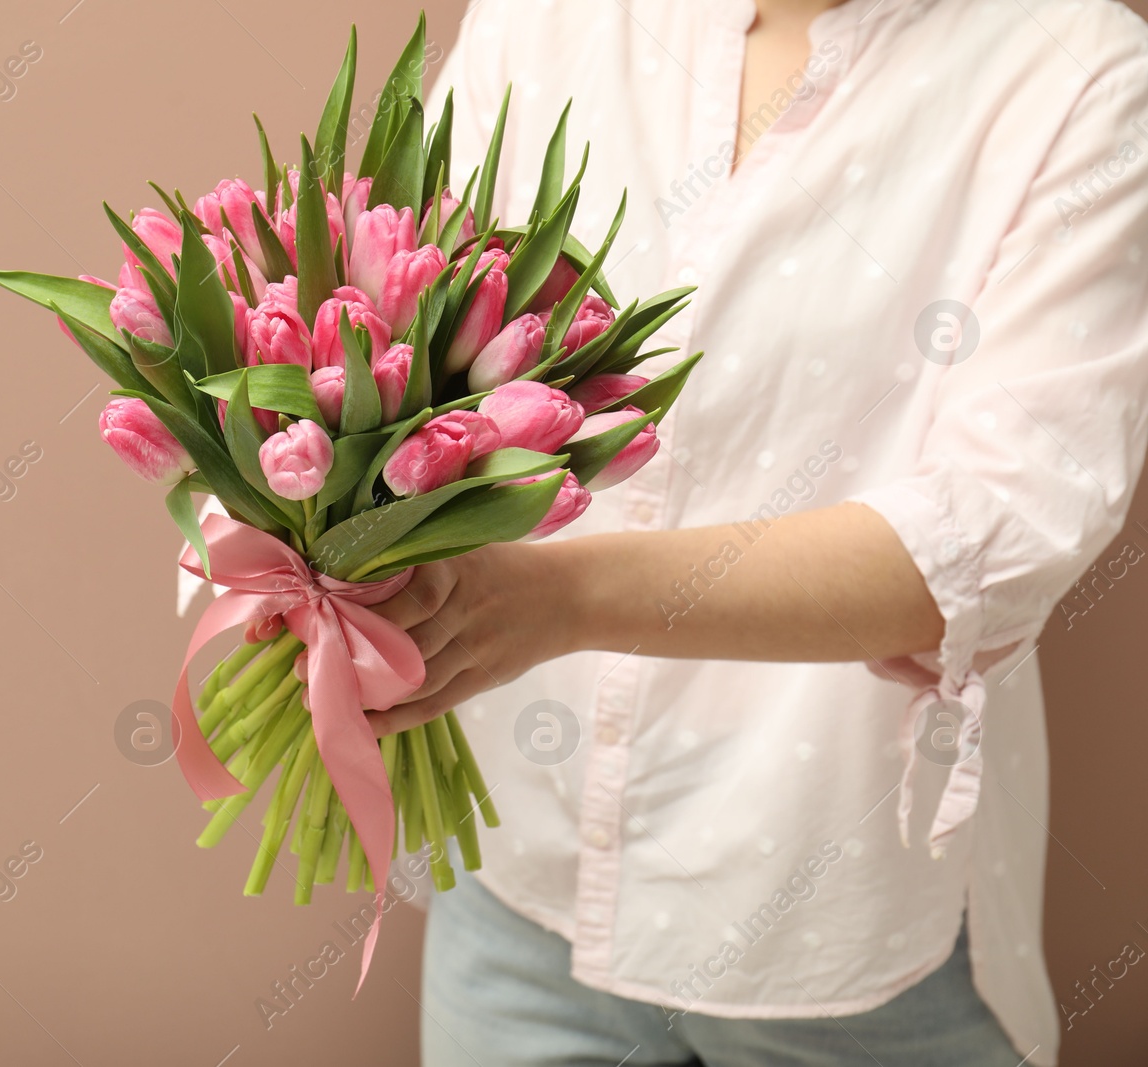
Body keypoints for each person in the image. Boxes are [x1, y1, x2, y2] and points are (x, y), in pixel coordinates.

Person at [366, 0, 1148, 1064]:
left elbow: (994, 532)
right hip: (518, 880)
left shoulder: (1080, 69)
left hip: (847, 925)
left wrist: (556, 601)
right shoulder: (544, 16)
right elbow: (381, 324)